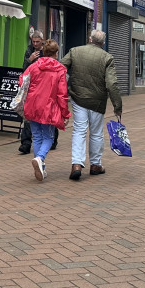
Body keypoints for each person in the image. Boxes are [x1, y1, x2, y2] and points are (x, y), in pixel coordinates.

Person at [61, 29, 122, 181]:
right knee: (96, 133)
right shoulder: (107, 58)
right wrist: (117, 105)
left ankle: (76, 164)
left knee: (79, 130)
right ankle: (95, 165)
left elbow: (60, 68)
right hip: (97, 100)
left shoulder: (75, 51)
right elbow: (112, 83)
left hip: (78, 97)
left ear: (90, 39)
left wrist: (66, 87)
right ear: (103, 43)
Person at [19, 40, 70, 181]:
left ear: (44, 52)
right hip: (48, 107)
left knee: (37, 136)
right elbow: (62, 94)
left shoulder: (34, 66)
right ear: (56, 53)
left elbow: (22, 80)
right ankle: (40, 159)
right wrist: (65, 113)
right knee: (48, 137)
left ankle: (41, 166)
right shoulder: (60, 69)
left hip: (32, 104)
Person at [18, 30, 45, 155]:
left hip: (44, 87)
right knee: (28, 114)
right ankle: (26, 143)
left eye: (37, 42)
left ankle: (52, 139)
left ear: (42, 41)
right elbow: (24, 68)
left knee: (46, 114)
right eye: (33, 41)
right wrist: (30, 59)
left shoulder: (47, 50)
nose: (35, 44)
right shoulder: (29, 50)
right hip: (32, 87)